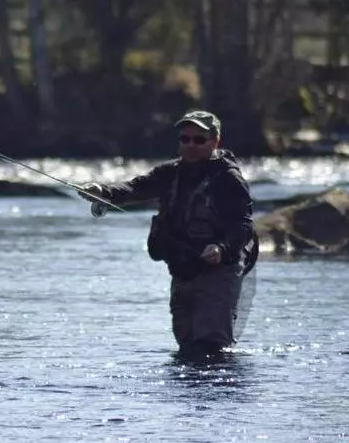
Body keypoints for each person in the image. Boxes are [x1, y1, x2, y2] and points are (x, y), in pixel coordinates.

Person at [79, 110, 258, 356]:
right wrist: (103, 191)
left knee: (211, 346)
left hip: (219, 270)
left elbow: (244, 226)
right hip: (183, 269)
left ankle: (217, 395)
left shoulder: (228, 180)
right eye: (185, 139)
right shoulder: (169, 173)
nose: (190, 145)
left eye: (199, 140)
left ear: (215, 142)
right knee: (186, 346)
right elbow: (134, 188)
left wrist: (221, 248)